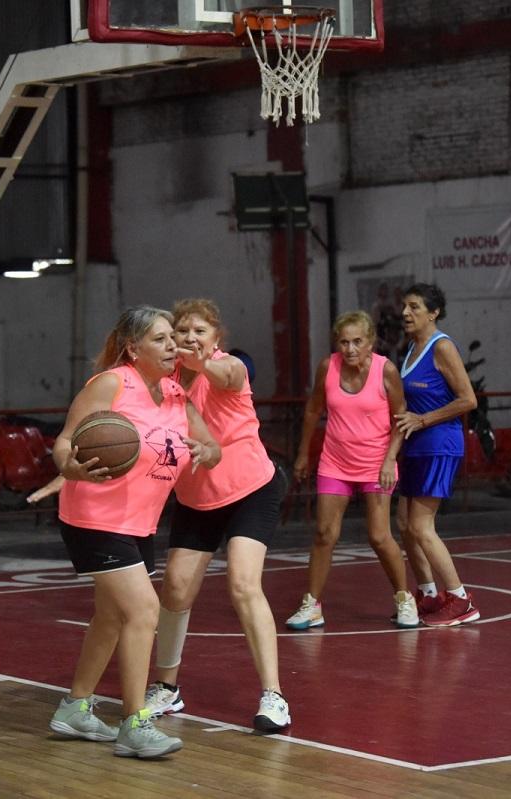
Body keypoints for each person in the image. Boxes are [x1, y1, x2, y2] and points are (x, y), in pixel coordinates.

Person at [48, 305, 221, 759]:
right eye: (162, 339)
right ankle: (135, 722)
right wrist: (72, 467)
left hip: (138, 523)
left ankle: (75, 706)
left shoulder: (174, 393)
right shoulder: (111, 383)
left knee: (110, 617)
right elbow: (65, 442)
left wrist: (205, 450)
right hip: (94, 517)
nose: (173, 346)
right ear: (133, 348)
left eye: (173, 338)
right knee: (145, 610)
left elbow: (213, 446)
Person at [142, 299, 291, 733]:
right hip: (196, 498)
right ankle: (167, 687)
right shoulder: (164, 382)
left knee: (244, 584)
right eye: (181, 331)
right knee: (174, 588)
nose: (189, 338)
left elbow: (227, 375)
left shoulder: (229, 369)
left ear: (216, 339)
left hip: (251, 491)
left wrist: (203, 362)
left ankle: (274, 696)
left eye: (199, 331)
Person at [287, 311, 417, 630]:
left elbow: (401, 418)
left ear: (370, 342)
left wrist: (390, 461)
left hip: (376, 464)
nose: (350, 348)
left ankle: (404, 599)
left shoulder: (386, 371)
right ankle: (312, 605)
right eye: (344, 342)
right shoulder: (327, 367)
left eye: (357, 341)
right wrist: (303, 453)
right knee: (324, 534)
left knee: (378, 535)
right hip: (335, 462)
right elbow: (313, 409)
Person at [392, 283, 481, 626]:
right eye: (404, 306)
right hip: (416, 444)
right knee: (404, 524)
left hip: (439, 442)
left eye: (414, 307)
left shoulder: (441, 347)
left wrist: (424, 418)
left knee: (421, 525)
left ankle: (461, 599)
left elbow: (468, 400)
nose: (405, 313)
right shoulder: (410, 350)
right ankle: (429, 594)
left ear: (434, 312)